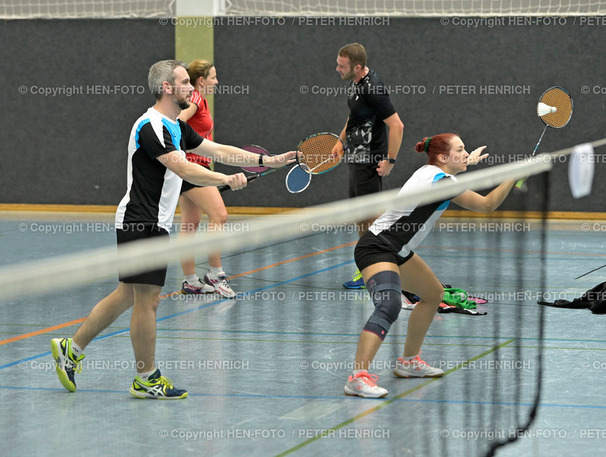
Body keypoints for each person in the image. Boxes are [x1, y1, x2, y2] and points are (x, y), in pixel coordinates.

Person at [50, 60, 296, 400]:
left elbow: (217, 150)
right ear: (167, 87)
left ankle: (71, 348)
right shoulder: (151, 127)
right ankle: (146, 377)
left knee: (127, 294)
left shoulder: (176, 126)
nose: (191, 88)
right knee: (148, 301)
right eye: (184, 82)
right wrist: (225, 180)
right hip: (141, 222)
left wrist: (268, 161)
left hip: (151, 223)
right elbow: (184, 169)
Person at [343, 133, 510, 398]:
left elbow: (448, 174)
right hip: (377, 247)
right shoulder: (441, 182)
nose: (466, 153)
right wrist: (515, 175)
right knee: (389, 305)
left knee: (433, 295)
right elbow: (487, 205)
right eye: (460, 150)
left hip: (398, 250)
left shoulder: (431, 172)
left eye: (465, 149)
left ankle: (408, 362)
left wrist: (467, 161)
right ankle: (358, 377)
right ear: (443, 157)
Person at [334, 43, 404, 290]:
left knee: (372, 220)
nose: (337, 69)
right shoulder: (356, 83)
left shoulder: (374, 88)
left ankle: (378, 271)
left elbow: (397, 126)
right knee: (361, 218)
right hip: (356, 160)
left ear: (357, 67)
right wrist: (340, 140)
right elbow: (355, 115)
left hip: (369, 162)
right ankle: (368, 268)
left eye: (342, 66)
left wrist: (390, 160)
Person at [176, 60, 234, 297]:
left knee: (190, 224)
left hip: (191, 167)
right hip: (192, 168)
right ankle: (216, 274)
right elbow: (176, 122)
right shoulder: (196, 98)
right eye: (213, 77)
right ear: (201, 80)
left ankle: (190, 280)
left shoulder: (201, 100)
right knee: (219, 215)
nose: (217, 81)